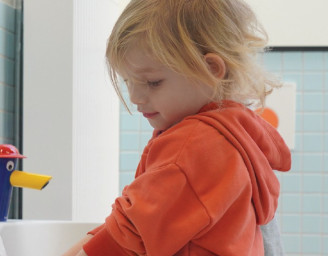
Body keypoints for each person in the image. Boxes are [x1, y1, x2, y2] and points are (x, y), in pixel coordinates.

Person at [63, 0, 291, 255]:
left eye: (152, 82)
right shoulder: (235, 134)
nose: (135, 97)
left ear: (211, 69)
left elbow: (130, 237)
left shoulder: (194, 146)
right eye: (128, 81)